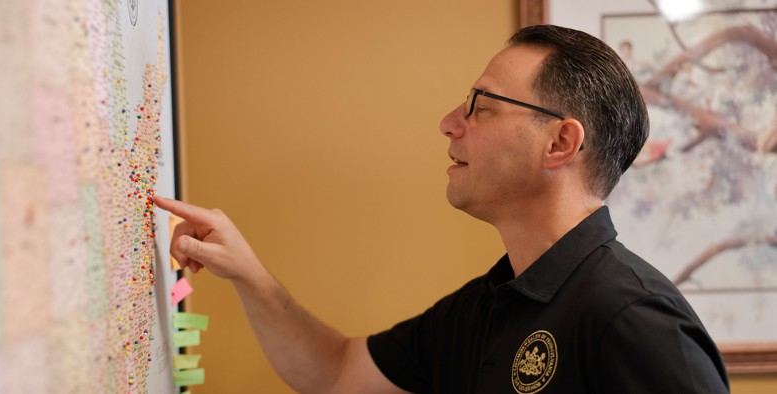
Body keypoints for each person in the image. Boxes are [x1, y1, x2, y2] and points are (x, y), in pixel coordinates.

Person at [155, 24, 729, 393]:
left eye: (482, 104)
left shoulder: (634, 320)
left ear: (560, 143)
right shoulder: (485, 307)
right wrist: (249, 273)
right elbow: (334, 372)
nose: (449, 122)